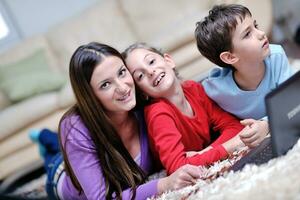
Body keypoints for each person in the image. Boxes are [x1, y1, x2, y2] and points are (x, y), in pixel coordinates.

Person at [30, 42, 202, 200]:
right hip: (60, 175)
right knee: (53, 154)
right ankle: (43, 138)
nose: (123, 88)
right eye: (106, 84)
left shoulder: (142, 98)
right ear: (91, 97)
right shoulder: (75, 128)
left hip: (83, 153)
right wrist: (163, 184)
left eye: (121, 72)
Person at [122, 43, 246, 175]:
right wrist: (230, 146)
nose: (150, 72)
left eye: (151, 61)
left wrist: (205, 152)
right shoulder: (158, 113)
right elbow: (178, 167)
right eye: (140, 76)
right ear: (142, 93)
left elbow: (235, 126)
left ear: (168, 61)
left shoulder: (193, 89)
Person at [195, 4, 295, 147]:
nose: (261, 33)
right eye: (248, 34)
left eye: (256, 26)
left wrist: (266, 124)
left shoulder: (276, 56)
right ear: (230, 57)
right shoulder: (216, 88)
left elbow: (292, 103)